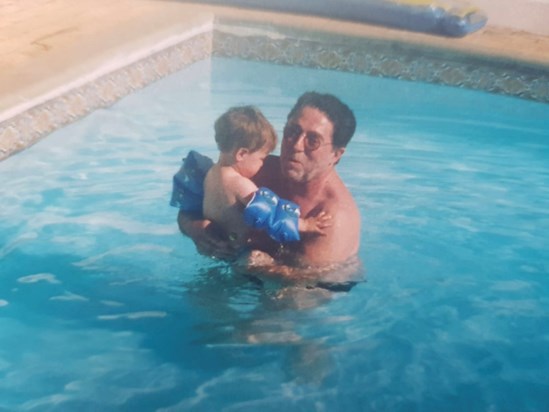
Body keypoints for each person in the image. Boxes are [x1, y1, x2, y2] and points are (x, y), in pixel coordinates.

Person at [176, 92, 361, 284]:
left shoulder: (331, 219)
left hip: (294, 296)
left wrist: (266, 267)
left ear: (336, 155)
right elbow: (193, 208)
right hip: (238, 267)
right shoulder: (253, 169)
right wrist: (198, 230)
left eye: (312, 141)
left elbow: (317, 286)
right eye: (292, 131)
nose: (296, 145)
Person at [202, 105, 332, 252]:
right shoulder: (239, 184)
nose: (263, 164)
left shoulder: (211, 174)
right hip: (238, 251)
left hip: (218, 246)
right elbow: (274, 215)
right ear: (242, 154)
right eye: (261, 158)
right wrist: (306, 225)